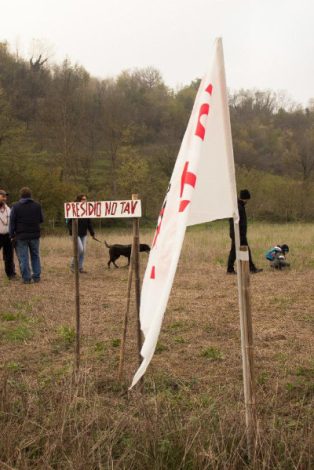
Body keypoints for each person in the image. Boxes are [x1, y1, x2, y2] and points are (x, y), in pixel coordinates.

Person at [9, 187, 44, 284]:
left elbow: (12, 222)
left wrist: (11, 235)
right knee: (35, 256)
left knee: (23, 257)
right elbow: (41, 219)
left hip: (21, 236)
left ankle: (26, 278)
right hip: (35, 235)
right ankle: (36, 276)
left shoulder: (15, 206)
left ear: (21, 195)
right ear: (30, 195)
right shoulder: (37, 206)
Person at [227, 189, 262, 274]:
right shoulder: (238, 207)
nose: (247, 201)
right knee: (244, 251)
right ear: (245, 198)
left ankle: (230, 269)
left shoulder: (239, 206)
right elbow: (235, 222)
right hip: (238, 234)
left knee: (234, 251)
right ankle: (250, 268)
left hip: (238, 233)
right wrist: (240, 234)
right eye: (247, 199)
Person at [67, 194, 96, 273]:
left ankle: (80, 268)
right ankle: (72, 266)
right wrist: (73, 232)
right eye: (83, 199)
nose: (85, 200)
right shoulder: (73, 208)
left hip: (84, 234)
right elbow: (69, 223)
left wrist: (92, 233)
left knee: (83, 251)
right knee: (80, 250)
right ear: (79, 200)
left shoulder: (87, 209)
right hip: (75, 234)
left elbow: (89, 223)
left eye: (85, 199)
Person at [0, 189, 17, 280]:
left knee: (9, 256)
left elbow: (11, 222)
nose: (5, 198)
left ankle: (11, 274)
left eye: (5, 196)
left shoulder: (8, 209)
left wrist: (13, 234)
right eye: (3, 196)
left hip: (7, 235)